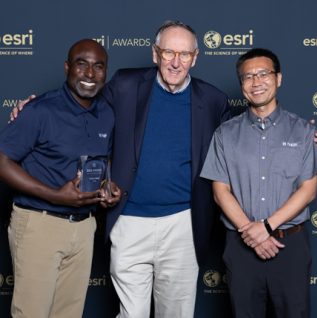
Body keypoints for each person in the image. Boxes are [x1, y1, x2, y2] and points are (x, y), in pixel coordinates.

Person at [10, 21, 231, 317]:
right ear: (155, 54)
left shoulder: (214, 99)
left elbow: (242, 140)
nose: (176, 62)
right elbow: (80, 101)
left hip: (182, 224)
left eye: (184, 54)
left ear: (195, 57)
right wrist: (31, 107)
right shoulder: (125, 85)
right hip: (129, 221)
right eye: (168, 53)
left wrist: (305, 134)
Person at [0, 39, 121, 318]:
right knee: (31, 313)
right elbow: (2, 160)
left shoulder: (106, 114)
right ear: (67, 67)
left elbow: (103, 163)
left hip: (83, 227)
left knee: (69, 314)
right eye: (82, 64)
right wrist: (56, 195)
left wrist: (107, 187)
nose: (90, 74)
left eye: (98, 66)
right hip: (39, 224)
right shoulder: (40, 110)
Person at [200, 48, 317, 318]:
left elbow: (308, 189)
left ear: (278, 79)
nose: (256, 82)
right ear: (241, 85)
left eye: (263, 74)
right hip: (241, 249)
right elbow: (220, 192)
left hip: (290, 246)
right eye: (248, 77)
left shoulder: (304, 131)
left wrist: (267, 226)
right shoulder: (225, 134)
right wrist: (250, 233)